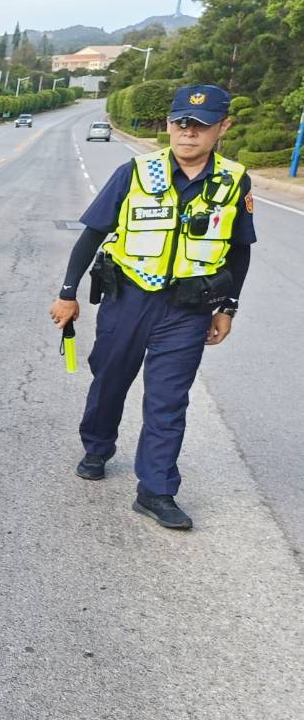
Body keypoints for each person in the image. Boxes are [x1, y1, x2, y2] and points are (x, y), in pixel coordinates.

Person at [48, 84, 255, 531]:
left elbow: (239, 251)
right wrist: (68, 293)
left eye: (200, 125)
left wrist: (228, 308)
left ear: (223, 127)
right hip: (128, 299)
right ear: (168, 124)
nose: (188, 132)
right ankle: (98, 446)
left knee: (169, 400)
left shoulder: (233, 181)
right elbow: (92, 234)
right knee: (110, 378)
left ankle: (156, 490)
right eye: (181, 122)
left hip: (187, 309)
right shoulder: (137, 172)